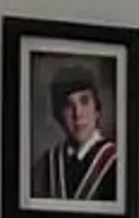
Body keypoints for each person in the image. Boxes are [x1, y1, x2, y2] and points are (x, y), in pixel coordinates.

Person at [30, 66, 121, 203]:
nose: (77, 113)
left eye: (84, 101)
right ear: (58, 116)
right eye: (68, 105)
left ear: (97, 110)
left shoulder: (117, 163)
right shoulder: (45, 166)